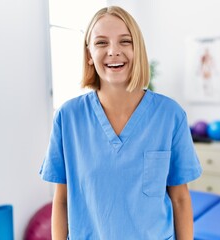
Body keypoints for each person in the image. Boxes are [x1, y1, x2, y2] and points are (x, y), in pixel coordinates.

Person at [39, 6, 202, 240]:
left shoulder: (170, 115)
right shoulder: (68, 117)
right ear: (88, 54)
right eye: (101, 43)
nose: (113, 51)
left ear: (138, 49)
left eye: (125, 41)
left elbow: (180, 199)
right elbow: (62, 200)